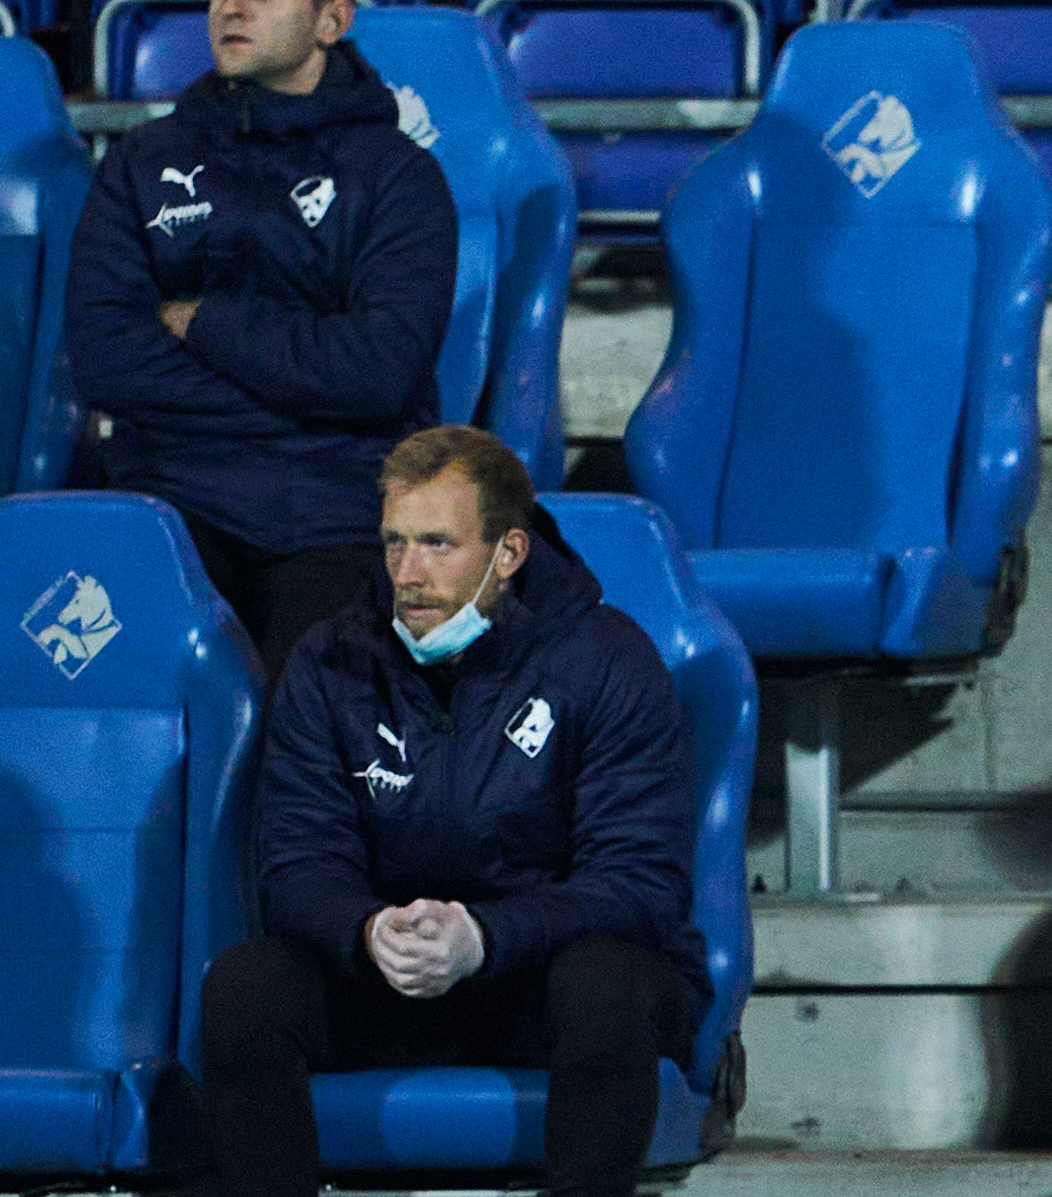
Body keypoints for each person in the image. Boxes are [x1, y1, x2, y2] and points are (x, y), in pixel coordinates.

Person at [197, 426, 706, 1197]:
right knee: (247, 986)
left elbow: (640, 885)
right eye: (394, 543)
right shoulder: (331, 661)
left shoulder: (609, 661)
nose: (408, 573)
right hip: (394, 975)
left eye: (438, 543)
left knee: (608, 985)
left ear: (509, 553)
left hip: (547, 978)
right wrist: (368, 932)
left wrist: (484, 936)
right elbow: (297, 864)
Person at [65, 0, 456, 676]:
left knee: (312, 722)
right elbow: (106, 360)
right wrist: (307, 397)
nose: (229, 7)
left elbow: (380, 370)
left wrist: (204, 322)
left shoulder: (399, 177)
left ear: (332, 20)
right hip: (170, 502)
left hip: (336, 511)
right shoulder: (141, 161)